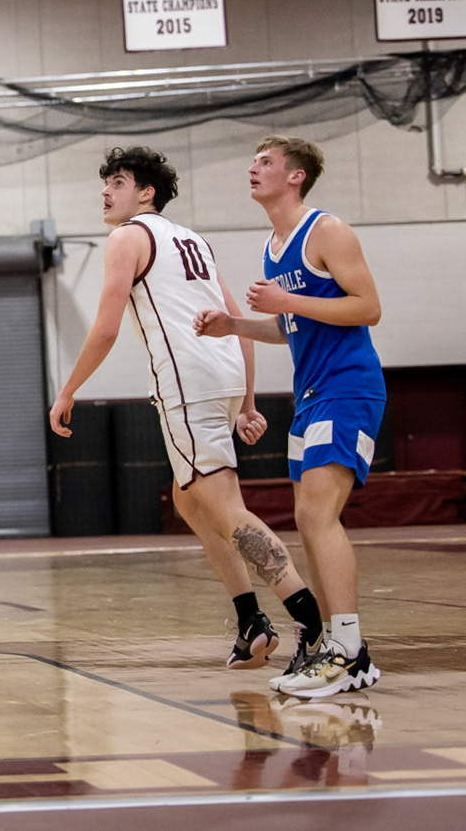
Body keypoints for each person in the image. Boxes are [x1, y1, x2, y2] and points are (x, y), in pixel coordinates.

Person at [49, 147, 325, 672]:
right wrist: (246, 402)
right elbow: (235, 321)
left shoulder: (127, 237)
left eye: (118, 182)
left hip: (187, 384)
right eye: (106, 183)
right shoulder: (192, 239)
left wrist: (67, 392)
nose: (105, 191)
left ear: (146, 193)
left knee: (225, 509)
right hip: (222, 378)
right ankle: (250, 620)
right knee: (190, 500)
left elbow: (105, 328)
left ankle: (310, 621)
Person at [197, 136, 387, 699]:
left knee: (319, 514)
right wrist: (234, 326)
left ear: (296, 176)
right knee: (307, 519)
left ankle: (347, 650)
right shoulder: (274, 246)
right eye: (253, 161)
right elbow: (290, 327)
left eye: (265, 163)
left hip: (347, 388)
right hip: (309, 394)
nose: (252, 169)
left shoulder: (326, 230)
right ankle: (341, 649)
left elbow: (368, 308)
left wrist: (288, 301)